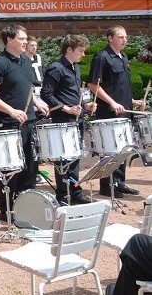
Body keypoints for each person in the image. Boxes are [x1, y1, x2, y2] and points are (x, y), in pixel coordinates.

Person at [0, 24, 49, 222]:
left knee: (30, 168)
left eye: (26, 38)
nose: (25, 42)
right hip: (9, 124)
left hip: (29, 121)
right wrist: (11, 111)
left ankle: (26, 207)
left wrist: (37, 102)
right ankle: (7, 209)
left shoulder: (26, 61)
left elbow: (26, 89)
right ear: (10, 40)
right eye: (21, 39)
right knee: (12, 170)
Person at [89, 25, 145, 197]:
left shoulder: (123, 57)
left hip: (124, 112)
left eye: (125, 37)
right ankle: (107, 186)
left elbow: (119, 86)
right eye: (121, 37)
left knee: (123, 149)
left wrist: (132, 101)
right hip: (108, 112)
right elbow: (93, 85)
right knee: (110, 150)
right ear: (110, 38)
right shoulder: (102, 57)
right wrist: (112, 103)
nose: (124, 40)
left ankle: (119, 182)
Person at [41, 34, 95, 205]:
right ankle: (63, 194)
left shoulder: (75, 67)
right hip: (62, 119)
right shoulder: (56, 68)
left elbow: (74, 95)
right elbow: (46, 94)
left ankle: (75, 191)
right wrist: (66, 108)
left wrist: (85, 105)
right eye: (80, 50)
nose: (83, 54)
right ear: (69, 49)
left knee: (75, 158)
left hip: (76, 119)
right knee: (63, 159)